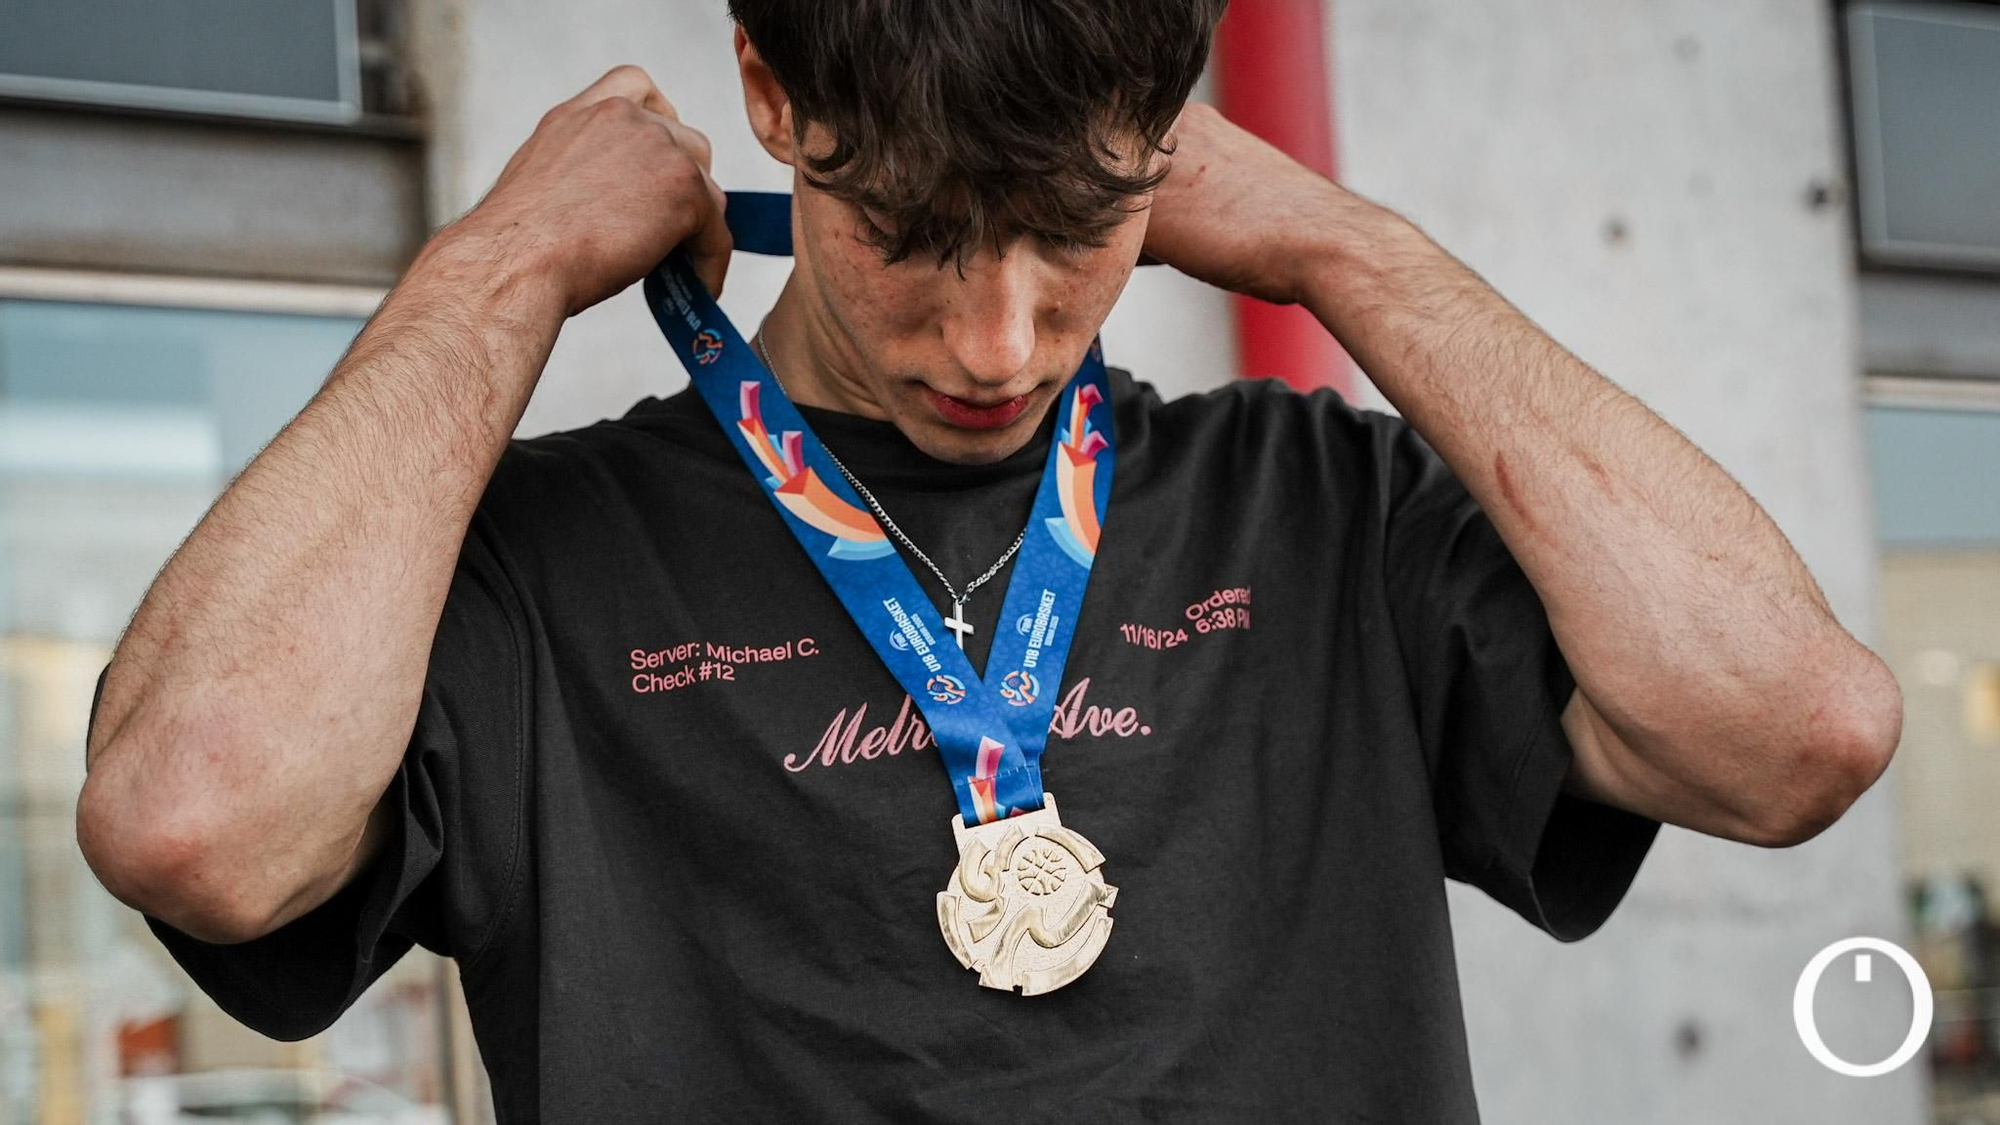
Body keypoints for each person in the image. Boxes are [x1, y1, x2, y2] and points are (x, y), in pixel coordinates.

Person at [77, 0, 1902, 1119]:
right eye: (920, 238)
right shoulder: (547, 569)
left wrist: (1358, 252)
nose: (1005, 339)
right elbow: (193, 818)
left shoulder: (1319, 508)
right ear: (771, 90)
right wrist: (496, 273)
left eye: (1073, 234)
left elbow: (1797, 727)